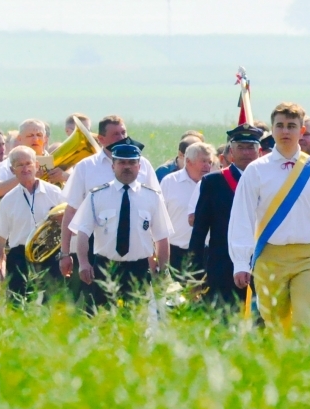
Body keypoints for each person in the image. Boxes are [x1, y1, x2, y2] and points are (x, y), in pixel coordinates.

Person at [227, 103, 310, 331]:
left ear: (302, 131)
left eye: (291, 126)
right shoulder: (256, 170)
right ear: (272, 130)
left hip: (309, 257)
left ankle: (304, 367)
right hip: (269, 257)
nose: (285, 131)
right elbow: (242, 217)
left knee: (306, 324)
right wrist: (240, 262)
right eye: (279, 126)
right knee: (276, 327)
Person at [69, 141, 170, 306]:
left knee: (136, 324)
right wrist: (84, 263)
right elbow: (83, 232)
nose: (127, 167)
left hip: (138, 269)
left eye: (132, 162)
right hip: (105, 268)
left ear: (139, 166)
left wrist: (163, 270)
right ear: (113, 166)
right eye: (121, 162)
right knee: (103, 322)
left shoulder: (152, 197)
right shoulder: (96, 196)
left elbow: (162, 237)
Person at [59, 115, 157, 281]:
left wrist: (154, 254)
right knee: (96, 302)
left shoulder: (143, 165)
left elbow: (154, 208)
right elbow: (71, 211)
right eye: (115, 134)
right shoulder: (86, 167)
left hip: (136, 245)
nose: (122, 138)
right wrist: (65, 253)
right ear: (101, 139)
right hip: (96, 243)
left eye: (123, 132)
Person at [188, 125, 261, 310]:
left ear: (259, 151)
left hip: (262, 265)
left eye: (250, 147)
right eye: (240, 147)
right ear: (230, 152)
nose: (246, 152)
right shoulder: (214, 182)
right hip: (222, 269)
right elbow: (199, 232)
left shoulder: (267, 180)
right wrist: (194, 275)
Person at [0, 146, 67, 300]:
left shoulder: (55, 193)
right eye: (20, 165)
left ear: (37, 166)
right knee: (17, 306)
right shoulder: (7, 200)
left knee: (53, 305)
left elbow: (70, 225)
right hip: (19, 258)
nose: (25, 169)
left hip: (50, 256)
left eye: (29, 163)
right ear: (13, 170)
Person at [159, 141, 215, 271]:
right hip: (175, 252)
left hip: (206, 253)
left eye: (210, 162)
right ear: (189, 162)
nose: (207, 166)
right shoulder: (170, 182)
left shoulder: (214, 183)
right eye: (203, 161)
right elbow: (159, 217)